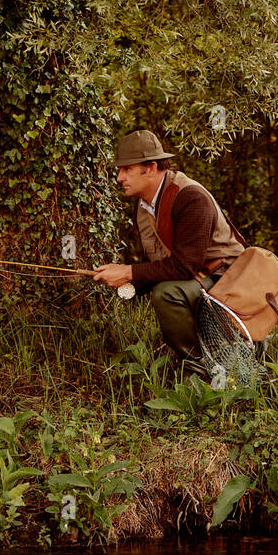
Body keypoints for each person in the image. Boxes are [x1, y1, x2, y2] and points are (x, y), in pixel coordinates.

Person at [92, 130, 245, 379]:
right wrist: (125, 281)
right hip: (198, 279)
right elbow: (162, 266)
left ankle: (201, 369)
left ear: (150, 168)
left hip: (228, 279)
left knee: (167, 294)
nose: (119, 177)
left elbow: (184, 267)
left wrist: (128, 272)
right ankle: (229, 355)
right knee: (164, 289)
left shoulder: (190, 197)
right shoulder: (144, 205)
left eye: (126, 169)